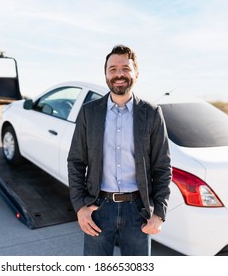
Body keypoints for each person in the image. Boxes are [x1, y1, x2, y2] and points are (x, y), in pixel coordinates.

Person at [67, 44, 172, 256]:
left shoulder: (151, 113)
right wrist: (80, 207)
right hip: (98, 209)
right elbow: (76, 161)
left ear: (136, 73)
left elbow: (162, 166)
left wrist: (159, 213)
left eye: (125, 68)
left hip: (138, 211)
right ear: (106, 74)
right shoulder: (90, 112)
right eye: (113, 69)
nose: (119, 74)